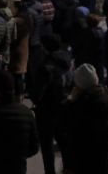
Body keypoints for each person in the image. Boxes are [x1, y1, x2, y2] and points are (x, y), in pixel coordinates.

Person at [63, 63, 108, 174]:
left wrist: (70, 100)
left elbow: (68, 126)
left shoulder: (84, 104)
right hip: (105, 163)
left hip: (87, 164)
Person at [32, 34, 72, 174]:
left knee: (47, 146)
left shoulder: (46, 67)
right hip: (64, 107)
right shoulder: (67, 62)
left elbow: (37, 93)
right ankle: (68, 169)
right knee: (64, 142)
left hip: (47, 111)